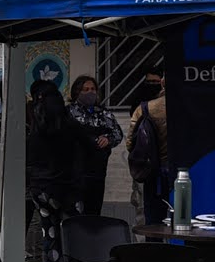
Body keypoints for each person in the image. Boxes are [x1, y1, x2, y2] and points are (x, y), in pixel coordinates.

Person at [26, 79, 75, 262]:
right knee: (73, 236)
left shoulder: (36, 125)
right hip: (67, 188)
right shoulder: (69, 124)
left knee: (49, 233)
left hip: (41, 187)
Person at [66, 73, 123, 218]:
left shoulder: (103, 113)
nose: (90, 92)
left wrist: (108, 139)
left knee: (94, 213)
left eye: (93, 89)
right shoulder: (68, 113)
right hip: (74, 173)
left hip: (97, 173)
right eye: (85, 89)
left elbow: (118, 134)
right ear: (77, 92)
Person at [126, 70, 170, 227]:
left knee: (150, 220)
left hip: (151, 171)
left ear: (163, 83)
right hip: (184, 173)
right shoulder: (192, 107)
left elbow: (130, 143)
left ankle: (149, 248)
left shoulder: (144, 108)